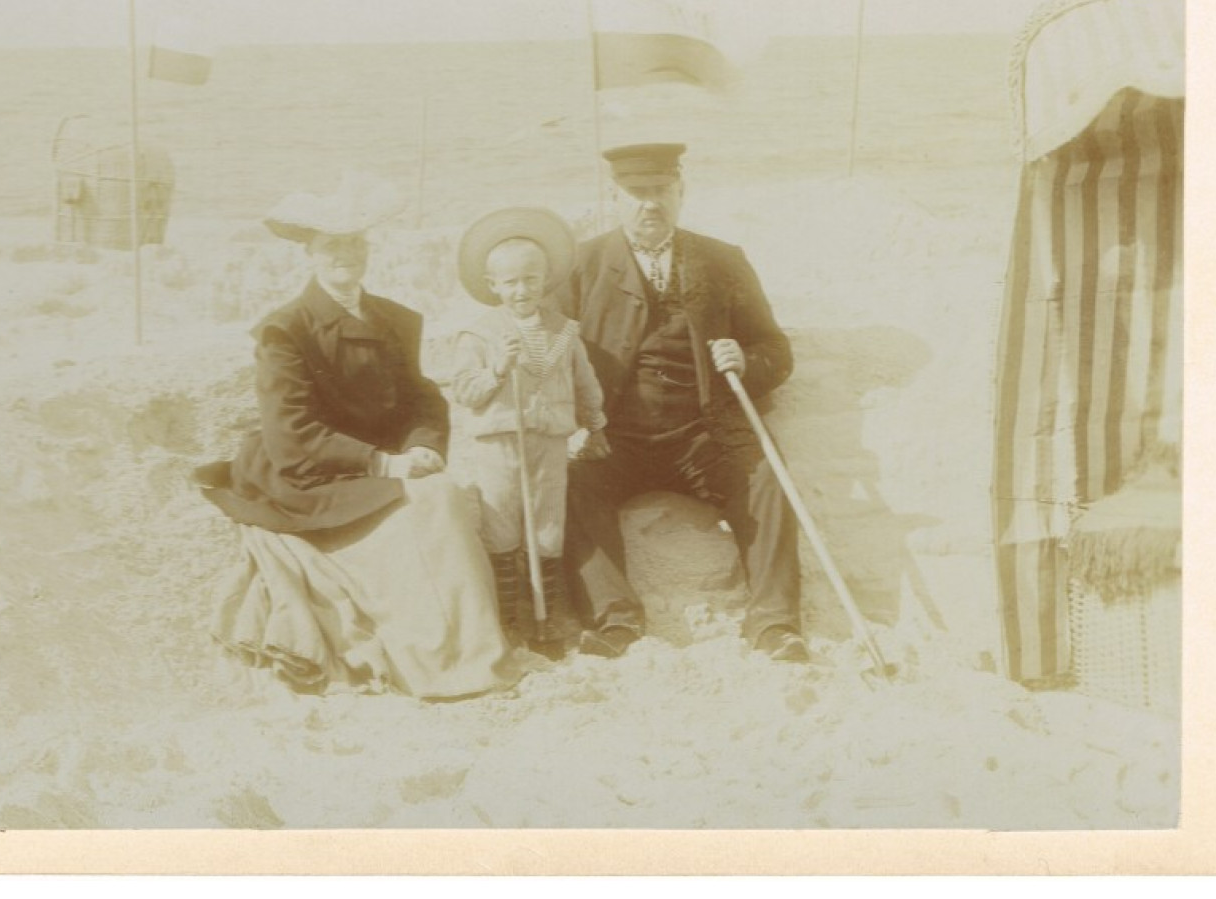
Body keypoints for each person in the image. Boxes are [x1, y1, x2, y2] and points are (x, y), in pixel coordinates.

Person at [195, 177, 511, 699]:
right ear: (311, 254)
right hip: (309, 474)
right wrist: (384, 464)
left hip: (383, 464)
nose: (345, 254)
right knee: (433, 505)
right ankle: (443, 666)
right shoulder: (286, 330)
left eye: (354, 243)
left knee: (440, 497)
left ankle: (475, 658)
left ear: (367, 248)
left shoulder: (395, 318)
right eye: (332, 245)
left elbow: (422, 398)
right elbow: (291, 435)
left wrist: (422, 445)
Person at [554, 143, 809, 663]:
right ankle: (616, 617)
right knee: (573, 483)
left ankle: (773, 622)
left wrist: (745, 358)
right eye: (637, 193)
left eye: (661, 191)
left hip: (705, 432)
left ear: (681, 192)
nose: (650, 204)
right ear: (614, 197)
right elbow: (551, 356)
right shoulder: (581, 265)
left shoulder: (722, 260)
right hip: (615, 433)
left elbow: (775, 351)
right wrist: (575, 418)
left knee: (766, 478)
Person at [450, 207, 609, 659]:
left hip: (550, 440)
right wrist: (498, 370)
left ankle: (549, 616)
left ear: (546, 281)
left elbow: (585, 383)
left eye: (531, 280)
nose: (522, 290)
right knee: (502, 523)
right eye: (511, 282)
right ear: (493, 284)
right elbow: (465, 391)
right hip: (499, 441)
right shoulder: (478, 335)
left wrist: (595, 425)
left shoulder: (564, 332)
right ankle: (509, 618)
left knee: (547, 524)